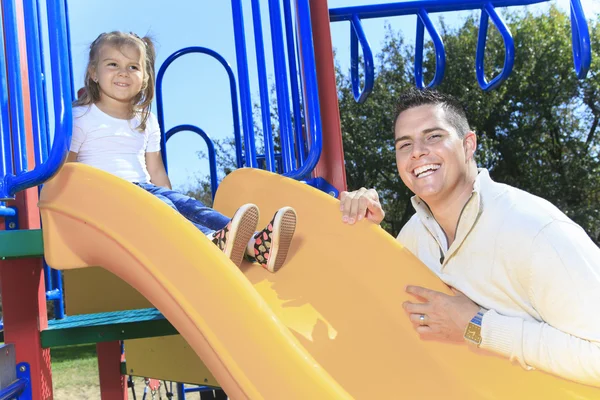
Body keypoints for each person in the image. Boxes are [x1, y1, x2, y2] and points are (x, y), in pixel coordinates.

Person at [339, 88, 600, 387]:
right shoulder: (412, 237)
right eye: (405, 144)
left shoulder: (535, 230)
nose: (417, 152)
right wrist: (366, 234)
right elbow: (384, 318)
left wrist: (476, 326)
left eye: (433, 136)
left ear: (468, 145)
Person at [67, 31, 296, 273]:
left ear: (144, 78)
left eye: (133, 67)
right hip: (106, 197)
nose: (123, 72)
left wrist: (172, 199)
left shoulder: (145, 120)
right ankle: (208, 242)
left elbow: (155, 169)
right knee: (164, 205)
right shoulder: (81, 117)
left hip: (144, 189)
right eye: (112, 64)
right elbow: (67, 170)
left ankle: (256, 246)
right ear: (93, 72)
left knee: (189, 205)